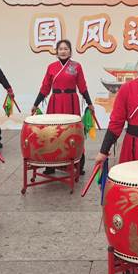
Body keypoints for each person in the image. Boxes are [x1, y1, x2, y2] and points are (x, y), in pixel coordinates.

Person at [32, 39, 94, 174]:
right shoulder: (51, 67)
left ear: (70, 52)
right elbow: (45, 87)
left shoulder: (76, 66)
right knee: (52, 132)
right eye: (60, 49)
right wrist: (36, 104)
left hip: (71, 102)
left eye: (66, 49)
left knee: (73, 133)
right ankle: (50, 165)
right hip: (55, 102)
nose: (63, 51)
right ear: (57, 52)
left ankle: (78, 165)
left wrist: (89, 103)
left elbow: (82, 86)